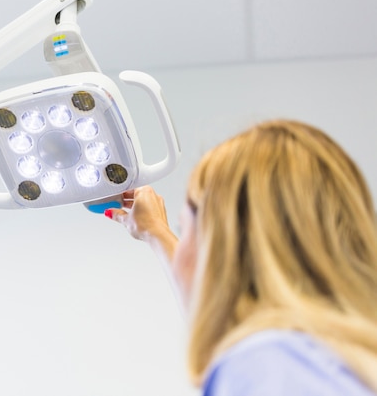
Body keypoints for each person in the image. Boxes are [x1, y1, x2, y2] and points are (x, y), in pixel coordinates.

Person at [105, 119, 377, 395]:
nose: (182, 242)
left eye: (183, 229)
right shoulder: (344, 356)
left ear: (226, 247)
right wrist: (155, 231)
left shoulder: (265, 363)